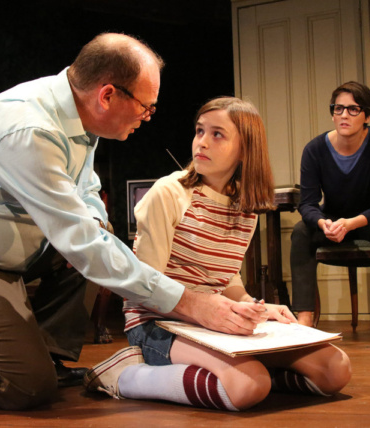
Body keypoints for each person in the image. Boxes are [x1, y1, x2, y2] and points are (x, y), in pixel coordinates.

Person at [0, 34, 266, 410]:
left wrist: (98, 228)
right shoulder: (32, 130)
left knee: (97, 247)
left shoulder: (77, 114)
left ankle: (45, 358)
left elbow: (86, 191)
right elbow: (81, 242)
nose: (146, 117)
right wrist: (193, 304)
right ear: (107, 96)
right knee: (25, 386)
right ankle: (23, 369)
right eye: (146, 107)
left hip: (1, 251)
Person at [83, 97, 352, 411]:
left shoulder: (245, 208)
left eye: (217, 134)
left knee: (336, 369)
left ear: (245, 149)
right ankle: (125, 376)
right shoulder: (168, 193)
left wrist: (253, 307)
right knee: (247, 385)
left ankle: (254, 372)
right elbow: (143, 288)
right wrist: (207, 311)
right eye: (200, 132)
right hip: (157, 325)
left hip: (214, 323)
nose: (202, 143)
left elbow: (225, 277)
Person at [289, 81, 370, 348]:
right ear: (332, 113)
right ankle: (304, 318)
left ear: (367, 116)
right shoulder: (314, 149)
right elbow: (308, 203)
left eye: (353, 109)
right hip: (335, 219)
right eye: (338, 108)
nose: (344, 115)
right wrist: (324, 223)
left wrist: (352, 223)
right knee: (301, 231)